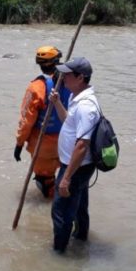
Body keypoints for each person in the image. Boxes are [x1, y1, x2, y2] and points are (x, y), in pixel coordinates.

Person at [49, 57, 100, 253]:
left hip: (76, 167)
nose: (63, 78)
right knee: (78, 206)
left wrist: (66, 179)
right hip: (75, 165)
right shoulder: (74, 98)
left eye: (67, 75)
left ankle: (59, 254)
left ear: (80, 78)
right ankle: (80, 240)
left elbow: (82, 145)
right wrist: (56, 103)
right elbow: (68, 122)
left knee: (60, 211)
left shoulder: (86, 106)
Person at [14, 46, 72, 198]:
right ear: (58, 62)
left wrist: (19, 144)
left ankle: (49, 210)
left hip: (43, 146)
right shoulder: (71, 81)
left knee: (46, 184)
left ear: (39, 64)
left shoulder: (36, 87)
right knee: (68, 178)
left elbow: (26, 120)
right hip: (67, 141)